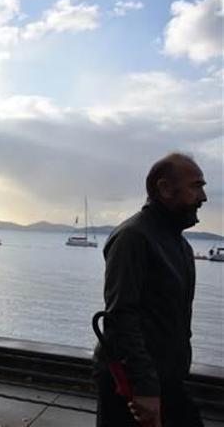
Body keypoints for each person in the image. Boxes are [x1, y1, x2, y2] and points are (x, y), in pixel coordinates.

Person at [94, 153, 207, 427]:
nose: (203, 196)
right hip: (133, 385)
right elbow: (121, 315)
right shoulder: (134, 237)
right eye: (196, 186)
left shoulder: (179, 244)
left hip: (167, 381)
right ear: (165, 188)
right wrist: (144, 388)